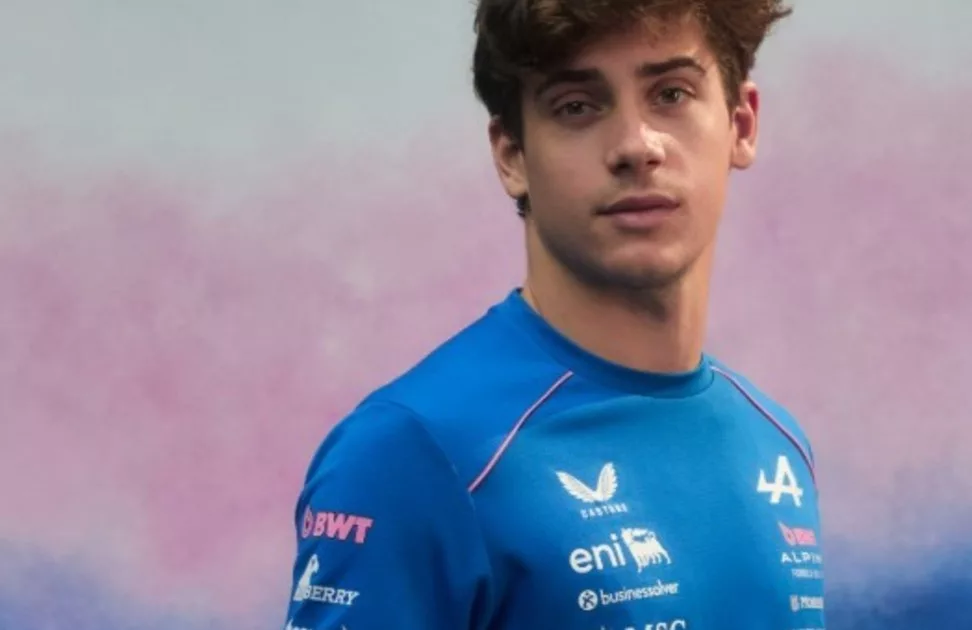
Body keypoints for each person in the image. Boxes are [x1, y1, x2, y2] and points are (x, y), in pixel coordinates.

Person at [282, 0, 825, 628]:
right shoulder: (410, 453)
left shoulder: (778, 444)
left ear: (741, 124)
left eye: (671, 94)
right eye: (576, 106)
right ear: (512, 155)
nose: (636, 146)